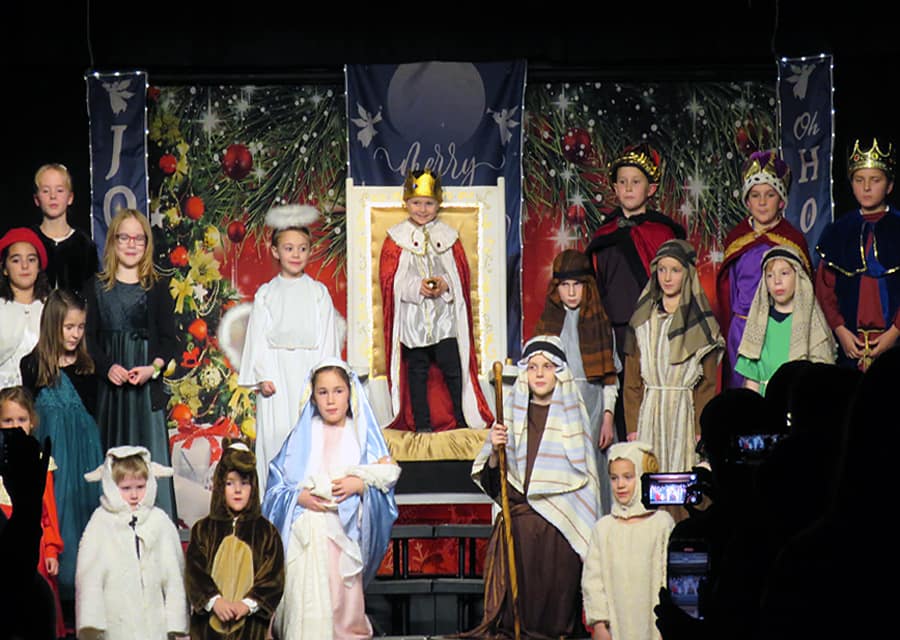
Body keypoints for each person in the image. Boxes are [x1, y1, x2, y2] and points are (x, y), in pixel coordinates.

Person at [465, 335, 600, 638]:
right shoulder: (510, 416)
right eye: (533, 367)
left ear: (559, 373)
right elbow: (495, 484)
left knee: (558, 602)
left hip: (560, 528)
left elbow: (585, 485)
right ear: (524, 373)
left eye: (548, 366)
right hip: (521, 527)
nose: (539, 374)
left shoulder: (572, 418)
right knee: (518, 615)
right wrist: (494, 453)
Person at [262, 358, 400, 639]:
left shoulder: (361, 436)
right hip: (306, 536)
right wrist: (298, 498)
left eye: (338, 391)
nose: (331, 400)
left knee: (341, 602)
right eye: (323, 392)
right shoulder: (303, 436)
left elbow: (384, 486)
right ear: (313, 396)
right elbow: (276, 488)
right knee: (306, 603)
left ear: (350, 393)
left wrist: (359, 486)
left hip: (344, 533)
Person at [379, 168, 493, 432]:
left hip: (444, 322)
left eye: (428, 203)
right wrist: (416, 287)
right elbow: (391, 282)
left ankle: (461, 417)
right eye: (416, 202)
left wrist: (445, 284)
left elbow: (459, 276)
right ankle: (422, 424)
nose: (422, 209)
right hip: (413, 325)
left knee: (452, 369)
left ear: (438, 204)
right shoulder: (396, 238)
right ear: (405, 202)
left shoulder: (448, 235)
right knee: (416, 374)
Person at [238, 204, 342, 495]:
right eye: (288, 248)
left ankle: (313, 507)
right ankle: (275, 510)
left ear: (310, 251)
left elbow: (327, 341)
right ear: (275, 251)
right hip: (277, 382)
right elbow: (257, 338)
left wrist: (326, 383)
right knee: (277, 442)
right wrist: (262, 376)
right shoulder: (266, 294)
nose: (296, 255)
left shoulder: (319, 293)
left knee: (310, 443)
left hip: (309, 380)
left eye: (302, 248)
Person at [585, 143, 685, 440]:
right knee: (618, 398)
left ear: (651, 189)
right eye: (623, 182)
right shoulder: (603, 235)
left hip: (653, 328)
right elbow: (595, 285)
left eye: (636, 182)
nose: (629, 188)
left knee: (653, 394)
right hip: (614, 329)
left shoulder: (662, 233)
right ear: (614, 187)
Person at [84, 208, 178, 520]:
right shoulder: (97, 286)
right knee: (113, 459)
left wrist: (154, 368)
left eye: (138, 238)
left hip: (145, 394)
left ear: (146, 243)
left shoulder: (157, 285)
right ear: (113, 241)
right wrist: (107, 366)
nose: (131, 244)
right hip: (112, 395)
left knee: (146, 460)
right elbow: (89, 339)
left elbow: (169, 339)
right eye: (124, 237)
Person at [19, 289, 104, 604]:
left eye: (80, 327)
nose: (75, 334)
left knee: (86, 514)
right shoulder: (32, 366)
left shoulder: (87, 366)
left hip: (85, 455)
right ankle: (59, 598)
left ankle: (89, 598)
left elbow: (91, 417)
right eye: (69, 327)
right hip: (53, 458)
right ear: (52, 325)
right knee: (57, 514)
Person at [623, 239, 724, 475]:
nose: (667, 277)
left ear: (687, 275)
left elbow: (707, 385)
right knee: (650, 478)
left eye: (675, 270)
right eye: (662, 270)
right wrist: (632, 425)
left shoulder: (702, 325)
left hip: (684, 415)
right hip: (650, 413)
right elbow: (632, 380)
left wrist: (702, 427)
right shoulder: (642, 322)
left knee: (684, 478)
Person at [717, 149, 812, 389]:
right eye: (755, 195)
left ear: (781, 201)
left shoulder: (792, 240)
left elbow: (805, 291)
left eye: (769, 195)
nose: (761, 202)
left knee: (778, 389)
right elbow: (728, 290)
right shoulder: (736, 238)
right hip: (742, 329)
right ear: (747, 201)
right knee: (745, 397)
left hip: (780, 328)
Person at [536, 249, 620, 513]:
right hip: (558, 410)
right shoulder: (547, 325)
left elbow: (609, 378)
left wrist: (608, 417)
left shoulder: (600, 324)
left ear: (587, 287)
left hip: (594, 408)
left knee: (595, 472)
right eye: (565, 285)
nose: (571, 292)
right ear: (556, 288)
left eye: (577, 285)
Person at [75, 445, 189, 640]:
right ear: (111, 486)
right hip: (116, 623)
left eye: (140, 487)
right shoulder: (101, 523)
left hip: (155, 625)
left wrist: (177, 625)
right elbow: (89, 576)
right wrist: (91, 624)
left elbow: (174, 576)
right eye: (126, 488)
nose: (134, 495)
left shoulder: (159, 521)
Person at [185, 439, 285, 640]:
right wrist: (214, 601)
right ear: (220, 485)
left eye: (244, 483)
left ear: (253, 487)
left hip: (251, 629)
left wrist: (247, 604)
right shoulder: (203, 530)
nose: (237, 490)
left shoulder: (267, 533)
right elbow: (195, 572)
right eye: (230, 483)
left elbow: (273, 578)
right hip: (208, 630)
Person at [815, 137, 900, 371]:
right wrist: (840, 330)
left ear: (889, 185)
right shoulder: (837, 232)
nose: (866, 187)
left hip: (894, 342)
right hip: (850, 345)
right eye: (859, 180)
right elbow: (824, 289)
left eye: (875, 180)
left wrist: (895, 333)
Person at [582, 441, 674, 640]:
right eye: (614, 478)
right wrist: (599, 624)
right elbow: (593, 582)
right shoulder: (604, 529)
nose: (620, 485)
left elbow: (669, 576)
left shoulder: (661, 524)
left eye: (628, 477)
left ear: (642, 476)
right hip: (616, 630)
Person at [0, 386, 65, 638]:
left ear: (32, 422)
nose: (15, 426)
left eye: (21, 419)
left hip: (32, 548)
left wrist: (51, 549)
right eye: (7, 420)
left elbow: (47, 513)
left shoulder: (40, 463)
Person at [734, 246, 835, 395]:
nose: (777, 281)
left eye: (784, 273)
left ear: (798, 277)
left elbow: (822, 379)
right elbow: (752, 382)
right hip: (765, 406)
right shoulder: (758, 327)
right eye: (770, 275)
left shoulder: (813, 325)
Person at [30, 163, 99, 295]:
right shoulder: (29, 241)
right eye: (46, 191)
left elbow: (91, 293)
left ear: (70, 198)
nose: (53, 196)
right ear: (36, 199)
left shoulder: (84, 244)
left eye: (59, 190)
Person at [0, 227, 50, 390]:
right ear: (5, 268)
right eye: (16, 260)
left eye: (31, 259)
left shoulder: (50, 307)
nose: (24, 266)